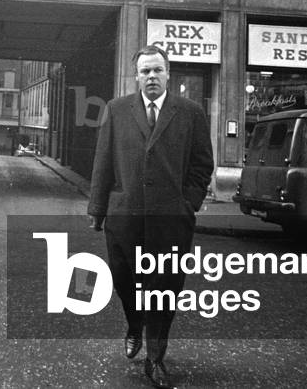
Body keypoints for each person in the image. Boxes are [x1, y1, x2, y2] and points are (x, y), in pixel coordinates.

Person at [88, 45, 214, 389]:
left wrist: (187, 204)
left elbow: (203, 165)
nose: (152, 77)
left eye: (157, 70)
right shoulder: (116, 110)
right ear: (137, 76)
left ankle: (155, 356)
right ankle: (133, 323)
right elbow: (102, 163)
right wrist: (98, 210)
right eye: (145, 72)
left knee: (164, 289)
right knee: (124, 281)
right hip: (124, 217)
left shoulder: (190, 112)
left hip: (170, 220)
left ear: (169, 74)